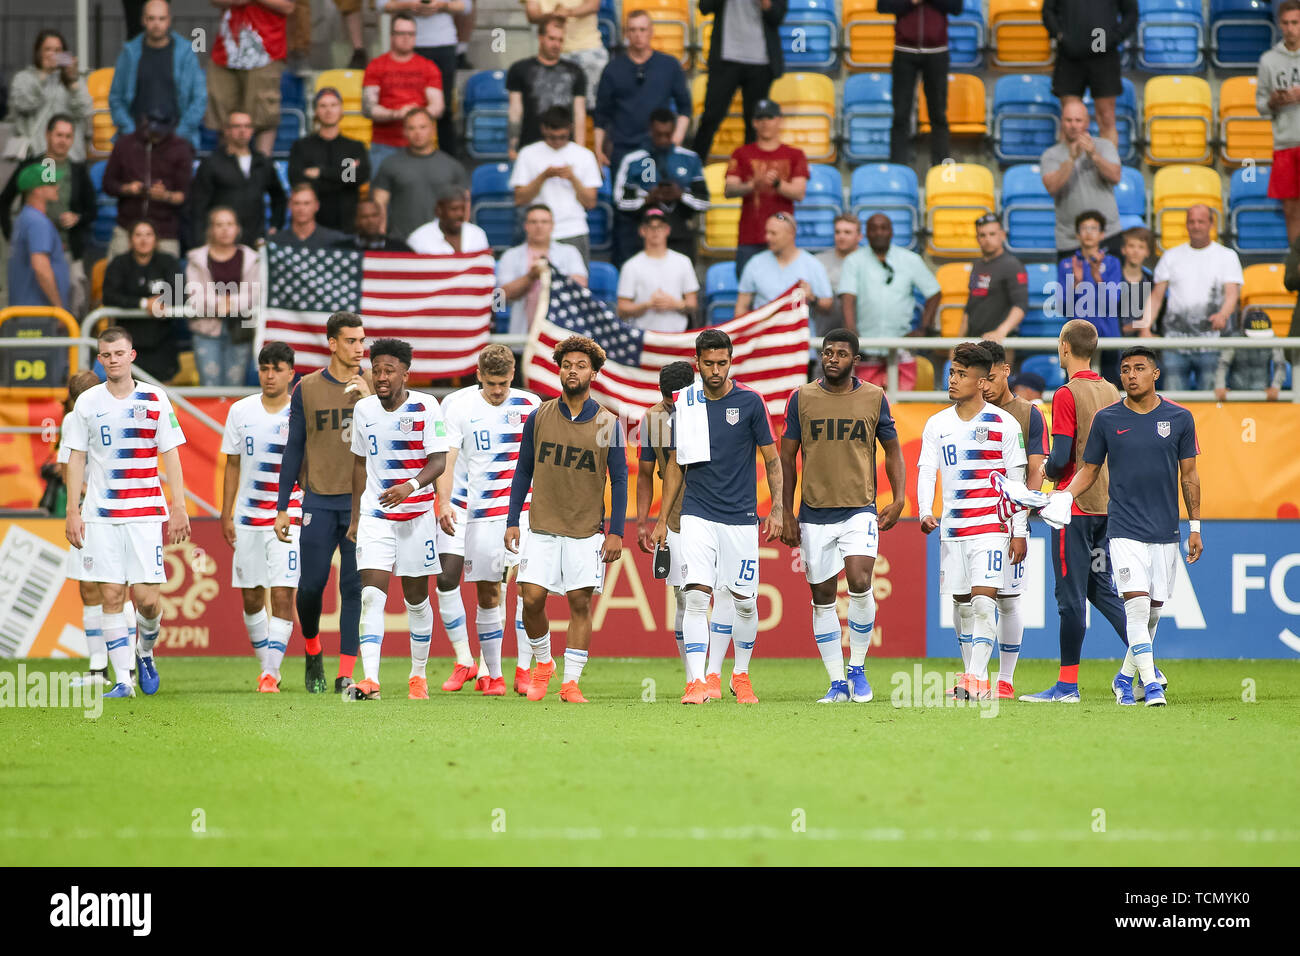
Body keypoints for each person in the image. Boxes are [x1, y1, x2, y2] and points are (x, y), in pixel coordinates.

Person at [1051, 345, 1202, 707]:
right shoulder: (1107, 418)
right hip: (1123, 529)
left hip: (1166, 531)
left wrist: (1195, 524)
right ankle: (1150, 684)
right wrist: (1064, 497)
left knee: (1152, 612)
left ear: (1155, 374)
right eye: (1125, 369)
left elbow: (1190, 474)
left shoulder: (1180, 418)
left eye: (1138, 368)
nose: (1130, 375)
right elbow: (1088, 470)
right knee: (1135, 606)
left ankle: (1124, 677)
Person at [650, 329, 783, 704]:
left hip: (740, 517)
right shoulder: (686, 402)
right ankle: (696, 681)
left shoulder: (751, 402)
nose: (715, 370)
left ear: (730, 361)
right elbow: (677, 463)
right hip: (697, 514)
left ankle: (739, 675)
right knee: (695, 597)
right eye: (708, 363)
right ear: (697, 363)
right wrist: (662, 519)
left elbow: (772, 461)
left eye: (722, 363)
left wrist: (777, 508)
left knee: (744, 600)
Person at [779, 328, 907, 703]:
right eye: (827, 352)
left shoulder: (873, 397)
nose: (832, 358)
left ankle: (858, 669)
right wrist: (785, 512)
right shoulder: (801, 398)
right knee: (822, 596)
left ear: (856, 359)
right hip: (814, 512)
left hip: (859, 509)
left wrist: (899, 499)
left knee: (860, 580)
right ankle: (836, 682)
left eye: (840, 353)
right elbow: (786, 457)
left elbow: (893, 450)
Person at [63, 326, 190, 698]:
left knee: (148, 600)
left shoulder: (155, 399)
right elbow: (75, 458)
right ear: (100, 359)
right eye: (106, 355)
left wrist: (179, 506)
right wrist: (74, 511)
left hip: (146, 515)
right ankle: (122, 680)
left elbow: (171, 453)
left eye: (119, 353)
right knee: (112, 596)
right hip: (101, 515)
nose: (113, 360)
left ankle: (144, 651)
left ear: (131, 355)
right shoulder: (87, 403)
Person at [1018, 320, 1136, 702]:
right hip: (1105, 505)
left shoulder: (1067, 394)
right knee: (1100, 590)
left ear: (1064, 347)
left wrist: (1041, 473)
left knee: (1069, 598)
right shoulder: (1110, 390)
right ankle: (1148, 664)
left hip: (1073, 507)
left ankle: (1067, 686)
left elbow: (1061, 455)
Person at [506, 335, 627, 703]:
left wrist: (616, 532)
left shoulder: (608, 422)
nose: (572, 371)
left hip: (586, 530)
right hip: (540, 525)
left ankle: (571, 682)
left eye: (580, 366)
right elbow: (523, 470)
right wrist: (513, 519)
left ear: (593, 373)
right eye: (567, 365)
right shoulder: (539, 415)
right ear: (559, 370)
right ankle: (543, 664)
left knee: (579, 604)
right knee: (531, 599)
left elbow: (619, 480)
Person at [916, 341, 1028, 701]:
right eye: (952, 372)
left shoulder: (1005, 424)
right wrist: (923, 510)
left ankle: (976, 678)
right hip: (953, 530)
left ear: (981, 382)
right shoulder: (937, 424)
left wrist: (1018, 530)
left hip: (991, 529)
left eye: (962, 375)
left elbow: (1017, 482)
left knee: (984, 602)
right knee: (962, 604)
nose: (953, 380)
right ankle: (971, 675)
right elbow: (926, 470)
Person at [343, 338, 450, 701]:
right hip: (376, 516)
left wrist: (409, 486)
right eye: (377, 370)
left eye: (389, 370)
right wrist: (356, 516)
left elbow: (439, 461)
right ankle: (370, 679)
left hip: (417, 516)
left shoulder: (427, 406)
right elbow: (359, 463)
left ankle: (418, 674)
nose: (382, 377)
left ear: (406, 372)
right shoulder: (364, 410)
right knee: (371, 595)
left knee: (416, 600)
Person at [436, 345, 543, 696]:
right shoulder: (457, 405)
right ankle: (491, 674)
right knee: (486, 593)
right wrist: (444, 501)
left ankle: (524, 670)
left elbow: (544, 461)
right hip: (478, 512)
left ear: (514, 376)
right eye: (491, 383)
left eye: (504, 383)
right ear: (478, 376)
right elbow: (447, 459)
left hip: (524, 512)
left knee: (529, 591)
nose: (498, 391)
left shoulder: (530, 405)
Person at [276, 312, 373, 694]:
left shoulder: (374, 386)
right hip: (317, 500)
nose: (359, 348)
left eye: (362, 340)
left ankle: (345, 671)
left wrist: (371, 401)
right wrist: (283, 506)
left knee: (353, 589)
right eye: (351, 340)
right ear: (332, 343)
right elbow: (293, 447)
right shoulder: (307, 388)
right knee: (312, 587)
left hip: (360, 505)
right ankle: (313, 648)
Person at [220, 341, 303, 693]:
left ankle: (270, 673)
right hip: (249, 516)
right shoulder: (241, 411)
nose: (270, 376)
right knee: (252, 598)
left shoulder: (300, 411)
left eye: (277, 369)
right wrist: (227, 514)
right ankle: (267, 666)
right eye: (265, 368)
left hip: (289, 516)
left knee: (283, 596)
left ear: (291, 373)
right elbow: (232, 464)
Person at [978, 340, 1048, 699]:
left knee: (1007, 599)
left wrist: (1020, 518)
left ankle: (1005, 679)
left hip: (1008, 521)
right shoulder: (966, 412)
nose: (984, 387)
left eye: (990, 378)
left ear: (1006, 371)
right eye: (979, 379)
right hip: (971, 520)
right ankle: (974, 677)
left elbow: (1036, 471)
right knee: (968, 599)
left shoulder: (1029, 414)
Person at [57, 369, 135, 688]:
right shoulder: (71, 422)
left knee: (118, 588)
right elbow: (67, 468)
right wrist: (78, 505)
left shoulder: (120, 415)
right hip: (89, 513)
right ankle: (98, 668)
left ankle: (129, 664)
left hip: (121, 513)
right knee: (90, 587)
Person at [635, 361, 698, 681]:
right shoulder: (653, 419)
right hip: (674, 517)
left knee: (726, 595)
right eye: (668, 399)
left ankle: (722, 672)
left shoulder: (708, 409)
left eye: (678, 398)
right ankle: (693, 677)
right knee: (685, 596)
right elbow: (645, 474)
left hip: (714, 510)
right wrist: (642, 521)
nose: (674, 405)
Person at [1139, 205, 1243, 391]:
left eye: (1201, 221)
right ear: (1186, 225)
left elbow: (1232, 294)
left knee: (1211, 405)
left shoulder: (1227, 256)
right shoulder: (1171, 256)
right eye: (1191, 221)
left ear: (1211, 224)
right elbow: (1156, 297)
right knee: (1174, 405)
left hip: (1212, 342)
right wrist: (1145, 328)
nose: (1196, 226)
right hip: (1175, 344)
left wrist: (1223, 315)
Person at [0, 116, 95, 316]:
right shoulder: (33, 167)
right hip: (36, 248)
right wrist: (13, 237)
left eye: (68, 136)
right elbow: (4, 200)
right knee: (38, 302)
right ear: (48, 135)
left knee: (72, 304)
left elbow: (91, 209)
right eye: (59, 135)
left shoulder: (77, 169)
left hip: (67, 248)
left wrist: (77, 218)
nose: (63, 140)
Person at [839, 212, 941, 390]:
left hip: (901, 348)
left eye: (884, 228)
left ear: (891, 232)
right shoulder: (854, 261)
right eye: (874, 229)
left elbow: (934, 293)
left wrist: (924, 327)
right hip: (866, 349)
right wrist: (851, 332)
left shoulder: (910, 259)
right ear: (866, 233)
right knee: (867, 406)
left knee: (898, 409)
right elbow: (848, 297)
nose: (879, 232)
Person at [594, 10, 692, 176]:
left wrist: (676, 139)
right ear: (626, 34)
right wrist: (598, 150)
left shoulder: (669, 65)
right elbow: (601, 115)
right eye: (632, 30)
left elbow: (685, 107)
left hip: (659, 147)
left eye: (642, 29)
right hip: (622, 149)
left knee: (658, 197)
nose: (638, 35)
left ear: (651, 31)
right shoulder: (612, 69)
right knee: (625, 200)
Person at [692, 0, 788, 162]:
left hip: (760, 62)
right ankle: (693, 172)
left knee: (755, 124)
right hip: (725, 59)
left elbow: (777, 16)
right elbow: (704, 7)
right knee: (710, 118)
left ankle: (748, 175)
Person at [613, 108, 710, 266]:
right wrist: (647, 199)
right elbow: (619, 201)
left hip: (680, 235)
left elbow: (705, 202)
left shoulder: (689, 159)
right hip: (643, 237)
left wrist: (680, 195)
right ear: (650, 130)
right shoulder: (633, 160)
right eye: (659, 134)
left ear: (674, 131)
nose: (664, 140)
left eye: (668, 134)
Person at [725, 100, 809, 278]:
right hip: (749, 237)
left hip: (783, 237)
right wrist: (752, 184)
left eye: (769, 117)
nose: (765, 123)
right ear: (754, 122)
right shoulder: (741, 154)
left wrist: (778, 184)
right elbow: (729, 189)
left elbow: (799, 193)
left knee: (784, 290)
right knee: (747, 291)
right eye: (760, 118)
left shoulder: (795, 155)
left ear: (779, 120)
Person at [108, 0, 207, 150]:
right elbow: (116, 98)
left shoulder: (186, 53)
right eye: (151, 18)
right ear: (143, 20)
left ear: (169, 20)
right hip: (136, 141)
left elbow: (200, 98)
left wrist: (180, 134)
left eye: (161, 18)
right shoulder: (129, 53)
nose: (156, 24)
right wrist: (130, 132)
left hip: (177, 141)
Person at [510, 105, 602, 263]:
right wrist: (543, 176)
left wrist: (573, 178)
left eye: (563, 137)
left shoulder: (585, 155)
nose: (558, 142)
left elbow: (590, 202)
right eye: (553, 137)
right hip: (537, 231)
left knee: (577, 285)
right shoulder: (528, 153)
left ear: (570, 129)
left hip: (573, 230)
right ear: (543, 129)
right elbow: (520, 199)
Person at [205, 0, 295, 158]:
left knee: (264, 118)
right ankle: (228, 170)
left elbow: (289, 6)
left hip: (266, 52)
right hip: (226, 52)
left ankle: (261, 171)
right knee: (224, 117)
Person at [378, 0, 468, 156]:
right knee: (405, 104)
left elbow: (465, 6)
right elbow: (382, 5)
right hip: (410, 43)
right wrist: (409, 4)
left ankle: (448, 162)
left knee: (444, 110)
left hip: (443, 44)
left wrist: (441, 5)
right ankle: (403, 158)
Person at [1042, 0, 1137, 148]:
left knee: (1106, 117)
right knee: (1070, 119)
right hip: (1070, 55)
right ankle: (1068, 169)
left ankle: (1107, 169)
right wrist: (1060, 35)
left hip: (1104, 55)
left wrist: (1113, 38)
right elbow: (1047, 11)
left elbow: (1131, 14)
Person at [101, 109, 193, 261]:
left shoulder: (181, 148)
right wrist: (128, 188)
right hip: (128, 224)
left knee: (170, 281)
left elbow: (185, 195)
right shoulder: (125, 144)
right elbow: (108, 184)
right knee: (114, 275)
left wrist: (166, 195)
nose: (155, 135)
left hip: (164, 228)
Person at [185, 206, 262, 387]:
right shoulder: (197, 259)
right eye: (219, 224)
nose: (225, 229)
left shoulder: (252, 258)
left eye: (230, 224)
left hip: (240, 329)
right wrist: (221, 304)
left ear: (237, 229)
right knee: (209, 386)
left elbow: (256, 293)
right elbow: (194, 296)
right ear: (210, 230)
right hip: (206, 330)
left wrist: (232, 303)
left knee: (235, 387)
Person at [880, 0, 960, 168]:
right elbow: (883, 6)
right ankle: (898, 168)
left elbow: (956, 7)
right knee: (901, 114)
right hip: (904, 52)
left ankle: (941, 168)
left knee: (938, 115)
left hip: (937, 53)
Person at [1040, 100, 1124, 260]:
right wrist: (1071, 159)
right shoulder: (1051, 155)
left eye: (1078, 120)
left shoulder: (1104, 146)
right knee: (1071, 285)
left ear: (1087, 122)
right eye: (1068, 120)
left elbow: (1115, 176)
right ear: (1062, 122)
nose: (1073, 125)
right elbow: (1052, 187)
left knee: (1110, 286)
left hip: (1108, 234)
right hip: (1069, 239)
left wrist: (1094, 156)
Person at [190, 111, 288, 247]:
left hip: (255, 241)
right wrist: (200, 240)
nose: (243, 131)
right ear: (226, 130)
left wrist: (275, 226)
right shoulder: (212, 163)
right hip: (220, 242)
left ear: (252, 131)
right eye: (237, 126)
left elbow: (279, 197)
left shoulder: (262, 162)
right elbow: (198, 206)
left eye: (247, 126)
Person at [370, 108, 469, 242]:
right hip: (402, 243)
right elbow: (379, 205)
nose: (418, 133)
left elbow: (465, 208)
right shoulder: (390, 164)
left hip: (442, 244)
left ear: (433, 129)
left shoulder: (453, 166)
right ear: (404, 132)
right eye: (411, 128)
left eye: (423, 127)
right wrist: (380, 236)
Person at [101, 219, 182, 383]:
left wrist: (161, 302)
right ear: (130, 239)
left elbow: (181, 294)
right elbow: (109, 296)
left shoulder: (169, 262)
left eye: (148, 234)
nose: (143, 240)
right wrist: (144, 304)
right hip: (127, 343)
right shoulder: (119, 263)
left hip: (162, 342)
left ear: (156, 239)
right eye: (138, 235)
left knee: (160, 397)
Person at [362, 14, 446, 171]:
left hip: (421, 146)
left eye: (411, 34)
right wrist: (397, 114)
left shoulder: (428, 67)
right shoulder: (376, 66)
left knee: (422, 194)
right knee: (381, 194)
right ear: (392, 36)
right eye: (401, 33)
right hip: (384, 145)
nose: (406, 38)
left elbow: (438, 106)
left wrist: (414, 115)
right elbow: (368, 108)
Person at [496, 203, 589, 335]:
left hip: (561, 335)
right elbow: (500, 297)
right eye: (533, 222)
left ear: (552, 225)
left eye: (544, 222)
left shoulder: (570, 252)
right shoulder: (510, 256)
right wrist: (530, 277)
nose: (539, 226)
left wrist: (550, 273)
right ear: (526, 226)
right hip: (521, 336)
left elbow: (582, 285)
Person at [288, 87, 371, 232]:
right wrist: (342, 175)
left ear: (341, 110)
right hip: (312, 226)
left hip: (346, 225)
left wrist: (321, 172)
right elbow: (297, 179)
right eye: (323, 105)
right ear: (316, 111)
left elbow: (356, 178)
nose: (328, 110)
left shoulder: (354, 147)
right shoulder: (302, 146)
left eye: (333, 105)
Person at [1055, 209, 1124, 384]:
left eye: (1093, 228)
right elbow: (1063, 307)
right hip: (1077, 339)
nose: (1088, 233)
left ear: (1102, 234)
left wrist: (1098, 278)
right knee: (1074, 390)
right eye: (1084, 228)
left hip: (1108, 336)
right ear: (1077, 234)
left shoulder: (1112, 263)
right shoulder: (1066, 265)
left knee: (1111, 391)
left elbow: (1114, 302)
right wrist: (1077, 284)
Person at [4, 30, 93, 163]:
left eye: (58, 50)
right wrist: (44, 75)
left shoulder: (72, 80)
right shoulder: (24, 78)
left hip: (71, 156)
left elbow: (85, 111)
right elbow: (24, 104)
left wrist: (73, 83)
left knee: (67, 183)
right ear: (38, 52)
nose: (53, 55)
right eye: (48, 50)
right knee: (48, 183)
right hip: (40, 154)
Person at [506, 16, 588, 157]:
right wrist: (513, 146)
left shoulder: (576, 71)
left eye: (560, 40)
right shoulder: (519, 69)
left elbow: (579, 114)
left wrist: (579, 150)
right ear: (540, 37)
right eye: (552, 38)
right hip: (529, 146)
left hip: (565, 147)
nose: (556, 44)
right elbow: (515, 111)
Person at [616, 207, 700, 332]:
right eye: (650, 227)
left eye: (660, 227)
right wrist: (648, 305)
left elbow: (693, 304)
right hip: (644, 336)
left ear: (667, 230)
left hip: (677, 335)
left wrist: (674, 304)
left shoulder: (683, 262)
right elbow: (622, 309)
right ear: (642, 231)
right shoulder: (631, 265)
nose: (655, 231)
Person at [1258, 1, 1300, 244]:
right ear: (1279, 25)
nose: (1290, 28)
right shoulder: (1268, 60)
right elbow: (1260, 105)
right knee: (1291, 211)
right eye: (1286, 23)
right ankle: (1297, 265)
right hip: (1285, 144)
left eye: (1295, 23)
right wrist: (1274, 101)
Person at [735, 213, 833, 315]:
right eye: (767, 232)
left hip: (799, 330)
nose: (767, 237)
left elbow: (828, 305)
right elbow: (741, 306)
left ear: (791, 234)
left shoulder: (813, 264)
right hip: (765, 329)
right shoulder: (755, 263)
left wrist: (812, 297)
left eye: (773, 233)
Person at [522, 0, 609, 113]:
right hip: (553, 54)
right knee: (552, 109)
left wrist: (568, 12)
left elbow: (593, 5)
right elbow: (532, 13)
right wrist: (554, 15)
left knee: (594, 107)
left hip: (589, 50)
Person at [7, 163, 70, 311]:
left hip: (25, 310)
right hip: (39, 313)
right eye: (51, 183)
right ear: (38, 189)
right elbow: (40, 267)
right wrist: (58, 308)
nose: (57, 187)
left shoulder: (24, 217)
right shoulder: (37, 222)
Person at [962, 214, 1029, 342]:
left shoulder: (1013, 265)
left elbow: (1020, 305)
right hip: (974, 341)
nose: (987, 239)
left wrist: (1001, 331)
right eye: (982, 235)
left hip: (999, 343)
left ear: (1002, 235)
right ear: (977, 239)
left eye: (992, 234)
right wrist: (957, 343)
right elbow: (969, 307)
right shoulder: (977, 265)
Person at [1215, 309, 1287, 402]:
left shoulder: (1273, 339)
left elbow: (1280, 364)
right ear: (1244, 331)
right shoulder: (1234, 339)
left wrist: (1276, 387)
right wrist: (1220, 386)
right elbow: (1223, 363)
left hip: (1263, 396)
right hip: (1237, 395)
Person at [813, 214, 863, 339]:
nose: (841, 236)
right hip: (826, 323)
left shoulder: (867, 261)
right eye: (837, 232)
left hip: (861, 323)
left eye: (847, 232)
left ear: (859, 237)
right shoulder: (818, 261)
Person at [407, 186, 490, 253]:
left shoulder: (477, 234)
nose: (460, 214)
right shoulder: (419, 238)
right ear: (439, 210)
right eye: (454, 209)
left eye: (463, 209)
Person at [271, 183, 353, 249]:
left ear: (317, 206)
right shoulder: (275, 242)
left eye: (307, 203)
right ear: (289, 206)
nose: (301, 208)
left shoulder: (334, 240)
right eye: (296, 203)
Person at [1118, 225, 1154, 336]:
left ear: (1147, 252)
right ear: (1123, 250)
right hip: (1115, 344)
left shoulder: (1153, 283)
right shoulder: (1112, 280)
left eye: (1141, 247)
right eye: (1131, 246)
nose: (1136, 251)